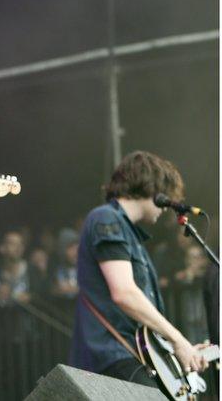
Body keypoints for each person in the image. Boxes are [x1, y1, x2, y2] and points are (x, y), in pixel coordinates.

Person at [70, 151, 208, 385]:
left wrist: (177, 349)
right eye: (168, 195)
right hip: (113, 355)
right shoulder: (106, 218)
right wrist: (178, 339)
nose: (167, 207)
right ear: (154, 189)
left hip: (132, 355)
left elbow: (141, 320)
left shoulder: (132, 236)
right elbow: (124, 293)